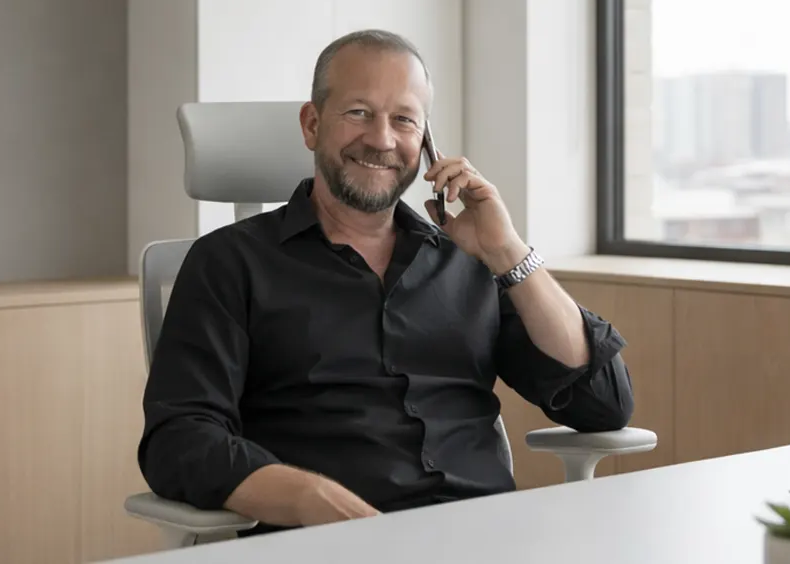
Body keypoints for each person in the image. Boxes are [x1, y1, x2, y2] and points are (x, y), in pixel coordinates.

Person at [137, 29, 635, 534]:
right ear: (312, 125)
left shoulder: (470, 262)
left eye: (404, 119)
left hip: (484, 537)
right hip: (327, 544)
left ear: (426, 142)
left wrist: (508, 252)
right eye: (358, 112)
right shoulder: (228, 262)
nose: (381, 139)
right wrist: (309, 497)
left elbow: (604, 406)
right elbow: (179, 438)